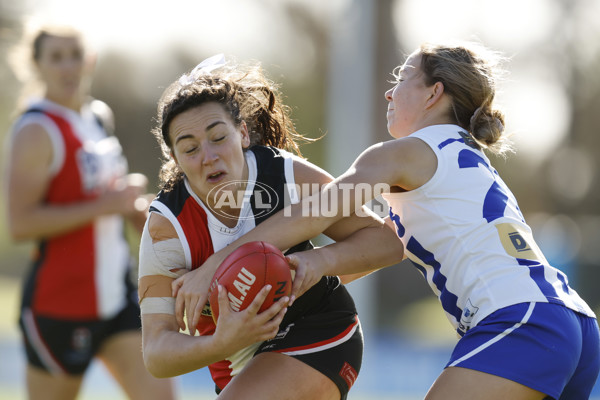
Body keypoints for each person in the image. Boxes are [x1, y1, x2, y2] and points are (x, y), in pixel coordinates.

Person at [172, 42, 600, 400]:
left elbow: (315, 212)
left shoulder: (400, 154)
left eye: (401, 78)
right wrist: (315, 267)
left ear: (434, 93)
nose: (388, 93)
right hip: (573, 324)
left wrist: (214, 265)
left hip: (521, 322)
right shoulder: (462, 154)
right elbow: (382, 243)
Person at [138, 54, 401, 400]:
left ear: (243, 133)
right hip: (235, 367)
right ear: (175, 159)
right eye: (189, 148)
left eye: (219, 137)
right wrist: (222, 342)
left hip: (319, 330)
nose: (208, 156)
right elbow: (157, 353)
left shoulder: (286, 176)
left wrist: (319, 262)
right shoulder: (166, 228)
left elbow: (387, 242)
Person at [4, 24, 176, 400]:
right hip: (60, 304)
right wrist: (107, 205)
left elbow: (107, 202)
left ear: (90, 60)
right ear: (37, 65)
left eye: (75, 55)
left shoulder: (98, 116)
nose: (68, 67)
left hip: (118, 296)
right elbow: (20, 224)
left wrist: (136, 209)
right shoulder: (35, 129)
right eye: (56, 57)